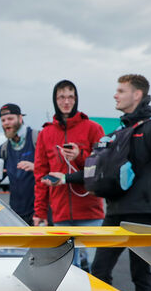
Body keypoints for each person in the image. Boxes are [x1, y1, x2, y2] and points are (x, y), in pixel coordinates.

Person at [86, 74, 151, 291]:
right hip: (116, 211)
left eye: (121, 90)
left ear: (137, 95)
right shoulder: (121, 131)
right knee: (99, 270)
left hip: (144, 213)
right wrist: (66, 178)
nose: (115, 95)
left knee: (140, 274)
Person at [32, 79, 105, 270]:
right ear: (55, 100)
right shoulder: (45, 133)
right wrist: (40, 212)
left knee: (95, 268)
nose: (66, 102)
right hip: (61, 212)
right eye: (61, 97)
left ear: (76, 99)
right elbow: (40, 175)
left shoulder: (93, 128)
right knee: (68, 270)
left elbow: (102, 166)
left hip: (90, 211)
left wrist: (80, 156)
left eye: (70, 97)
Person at [0, 103, 35, 223]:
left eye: (10, 118)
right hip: (17, 217)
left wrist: (36, 168)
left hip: (40, 215)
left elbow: (55, 170)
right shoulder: (5, 148)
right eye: (3, 120)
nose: (6, 123)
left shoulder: (37, 139)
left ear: (20, 118)